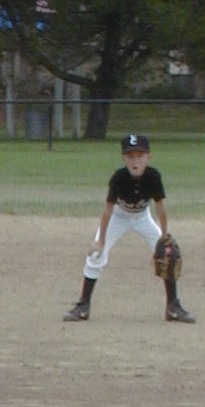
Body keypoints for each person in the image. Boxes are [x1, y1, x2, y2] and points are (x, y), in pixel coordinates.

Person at [63, 133, 195, 323]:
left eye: (140, 156)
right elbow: (107, 210)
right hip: (118, 217)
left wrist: (164, 237)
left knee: (168, 256)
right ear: (124, 158)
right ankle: (83, 306)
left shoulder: (153, 176)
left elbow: (160, 208)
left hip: (142, 218)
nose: (135, 161)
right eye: (130, 156)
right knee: (96, 255)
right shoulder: (118, 178)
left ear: (148, 157)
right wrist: (100, 241)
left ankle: (173, 307)